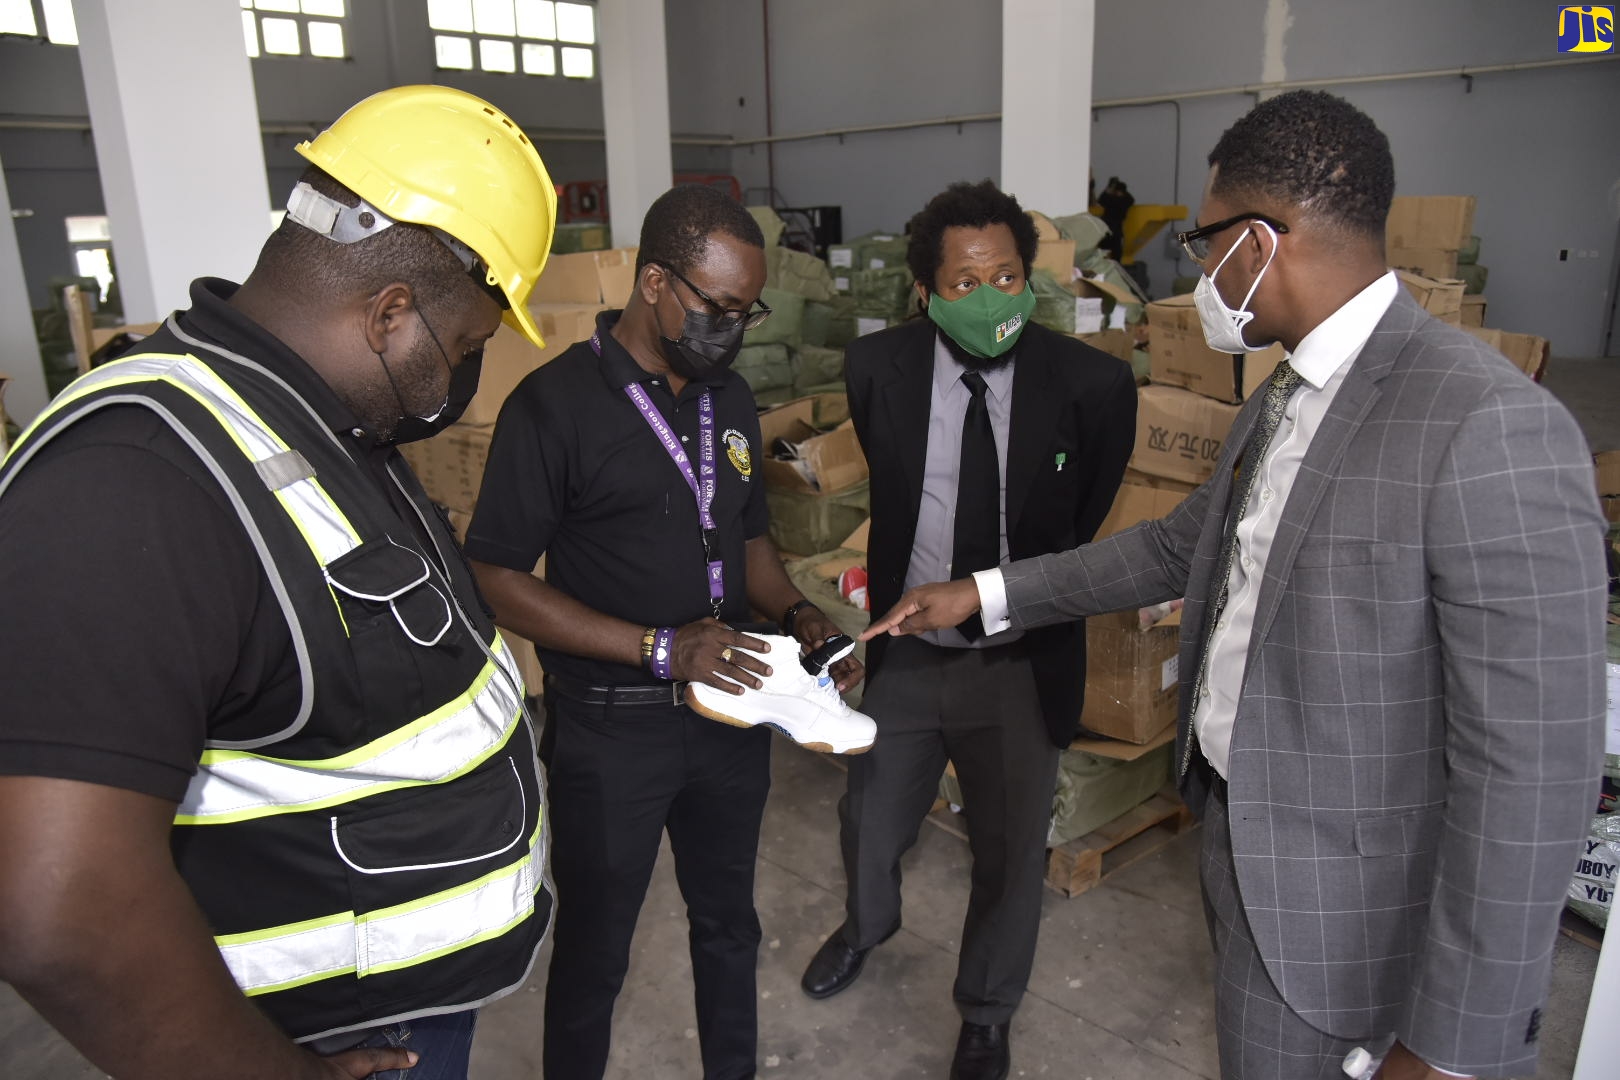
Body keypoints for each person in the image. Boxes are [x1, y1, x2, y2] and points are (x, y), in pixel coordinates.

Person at [863, 91, 1607, 1080]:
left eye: (1205, 245)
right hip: (1240, 845)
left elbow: (1535, 768)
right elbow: (1179, 549)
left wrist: (1454, 1047)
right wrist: (986, 592)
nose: (1202, 272)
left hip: (1351, 923)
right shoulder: (1287, 392)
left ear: (1256, 244)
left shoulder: (1485, 423)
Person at [0, 85, 559, 1079]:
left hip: (401, 1008)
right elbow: (58, 911)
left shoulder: (312, 420)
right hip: (303, 1044)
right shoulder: (136, 482)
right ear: (390, 314)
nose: (464, 374)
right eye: (470, 345)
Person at [463, 184, 862, 1080]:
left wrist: (798, 613)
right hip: (613, 732)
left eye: (747, 311)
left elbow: (748, 542)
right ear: (653, 283)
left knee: (729, 925)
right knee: (596, 950)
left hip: (729, 718)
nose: (733, 329)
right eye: (717, 307)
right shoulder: (553, 406)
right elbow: (493, 576)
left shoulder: (732, 399)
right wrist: (660, 649)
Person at [798, 180, 1137, 1080]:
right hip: (910, 649)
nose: (991, 298)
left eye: (1007, 276)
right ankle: (867, 926)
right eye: (965, 283)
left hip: (1020, 661)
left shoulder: (1092, 384)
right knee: (871, 819)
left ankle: (986, 1010)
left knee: (1011, 850)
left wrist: (1010, 598)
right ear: (926, 291)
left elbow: (1083, 517)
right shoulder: (879, 370)